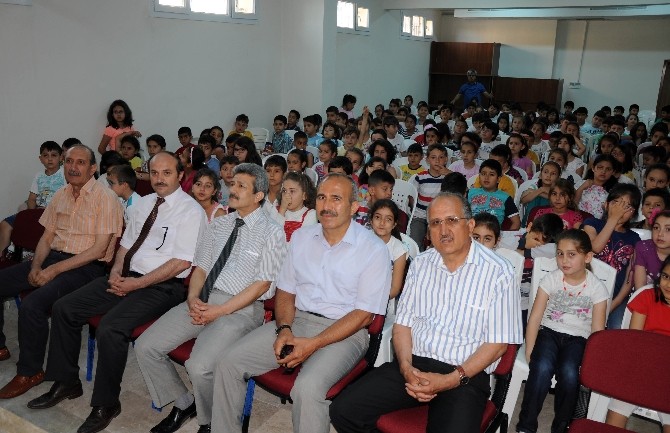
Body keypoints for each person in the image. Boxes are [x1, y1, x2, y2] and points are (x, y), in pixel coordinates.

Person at [26, 152, 207, 433]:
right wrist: (115, 270)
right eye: (155, 172)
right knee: (65, 308)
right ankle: (67, 382)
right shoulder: (144, 204)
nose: (159, 179)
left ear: (180, 176)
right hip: (126, 276)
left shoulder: (190, 211)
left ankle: (106, 403)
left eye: (167, 173)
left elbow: (181, 263)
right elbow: (125, 244)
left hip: (163, 286)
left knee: (111, 328)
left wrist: (137, 284)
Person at [211, 173, 391, 433]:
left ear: (354, 207)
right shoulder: (301, 238)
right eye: (321, 197)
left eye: (336, 199)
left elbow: (364, 315)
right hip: (296, 321)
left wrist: (313, 344)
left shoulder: (373, 249)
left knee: (307, 388)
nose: (326, 205)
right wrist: (284, 329)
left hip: (346, 332)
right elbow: (285, 291)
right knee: (228, 362)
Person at [329, 192, 523, 433]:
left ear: (470, 225)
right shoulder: (420, 264)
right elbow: (402, 326)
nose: (444, 230)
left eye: (452, 220)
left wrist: (450, 379)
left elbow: (498, 345)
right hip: (415, 364)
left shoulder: (499, 271)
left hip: (465, 375)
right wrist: (406, 368)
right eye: (435, 223)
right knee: (344, 411)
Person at [133, 163, 286, 433]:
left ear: (259, 195)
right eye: (232, 183)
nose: (233, 189)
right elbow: (201, 267)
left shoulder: (272, 232)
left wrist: (220, 311)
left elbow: (262, 285)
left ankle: (212, 420)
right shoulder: (219, 224)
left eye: (241, 186)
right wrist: (193, 299)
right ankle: (184, 402)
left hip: (241, 309)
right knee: (146, 346)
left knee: (200, 366)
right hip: (202, 300)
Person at [0, 145, 123, 397]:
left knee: (34, 304)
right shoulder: (61, 194)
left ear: (92, 168)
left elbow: (99, 250)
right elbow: (46, 237)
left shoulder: (105, 197)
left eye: (80, 162)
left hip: (87, 267)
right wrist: (36, 265)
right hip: (54, 258)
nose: (72, 167)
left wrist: (53, 270)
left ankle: (30, 371)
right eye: (68, 161)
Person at [517, 229, 608, 433]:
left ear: (588, 257)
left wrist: (590, 363)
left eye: (571, 254)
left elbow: (597, 333)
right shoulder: (551, 280)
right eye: (560, 253)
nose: (564, 260)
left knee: (569, 374)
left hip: (578, 340)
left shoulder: (596, 288)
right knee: (540, 368)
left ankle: (561, 427)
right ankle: (526, 425)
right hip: (548, 332)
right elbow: (535, 319)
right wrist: (530, 350)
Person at [605, 255, 670, 433]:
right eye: (665, 276)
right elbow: (636, 341)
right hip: (640, 366)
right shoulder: (648, 297)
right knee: (616, 412)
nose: (668, 284)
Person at [582, 184, 641, 329]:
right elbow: (595, 247)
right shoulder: (591, 224)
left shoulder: (635, 239)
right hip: (586, 292)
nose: (620, 210)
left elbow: (629, 279)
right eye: (616, 203)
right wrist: (613, 219)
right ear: (606, 205)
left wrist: (613, 304)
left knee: (616, 331)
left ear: (633, 213)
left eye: (626, 206)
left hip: (616, 297)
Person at [0, 141, 65, 255]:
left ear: (61, 158)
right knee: (5, 224)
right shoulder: (38, 176)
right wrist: (32, 213)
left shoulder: (65, 174)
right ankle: (3, 256)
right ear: (40, 159)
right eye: (45, 156)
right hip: (38, 211)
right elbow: (31, 199)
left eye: (54, 155)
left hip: (55, 213)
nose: (49, 159)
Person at [369, 199, 408, 300]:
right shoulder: (362, 240)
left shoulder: (399, 250)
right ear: (371, 220)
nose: (382, 223)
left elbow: (394, 289)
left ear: (394, 224)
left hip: (382, 299)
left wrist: (373, 300)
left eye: (388, 219)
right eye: (378, 217)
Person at [276, 171, 318, 241]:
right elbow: (272, 237)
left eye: (292, 191)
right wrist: (282, 209)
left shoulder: (311, 214)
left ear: (304, 196)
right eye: (284, 191)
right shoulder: (278, 211)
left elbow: (302, 242)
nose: (287, 196)